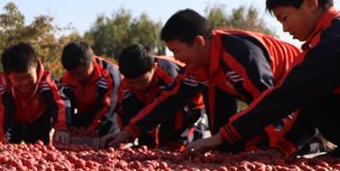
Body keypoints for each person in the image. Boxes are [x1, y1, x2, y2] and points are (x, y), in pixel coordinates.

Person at [189, 0, 340, 159]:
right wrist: (280, 150)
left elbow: (285, 94)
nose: (285, 29)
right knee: (310, 86)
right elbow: (306, 96)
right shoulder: (318, 45)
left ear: (310, 3)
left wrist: (224, 135)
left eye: (284, 18)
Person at [110, 9, 306, 152]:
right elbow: (171, 98)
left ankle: (308, 144)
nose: (176, 59)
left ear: (198, 42)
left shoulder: (240, 55)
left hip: (295, 87)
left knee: (268, 143)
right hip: (265, 97)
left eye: (178, 51)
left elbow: (268, 103)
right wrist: (130, 131)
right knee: (228, 144)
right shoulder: (198, 66)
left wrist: (275, 149)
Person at [101, 44, 203, 149]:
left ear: (154, 67)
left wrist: (175, 143)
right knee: (147, 143)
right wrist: (125, 133)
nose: (138, 87)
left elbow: (171, 106)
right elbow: (125, 112)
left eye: (142, 81)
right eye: (132, 83)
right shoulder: (125, 86)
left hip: (188, 105)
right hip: (154, 105)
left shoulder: (169, 76)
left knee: (175, 143)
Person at [0, 42, 69, 144]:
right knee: (8, 145)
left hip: (38, 119)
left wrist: (61, 128)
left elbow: (59, 104)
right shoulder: (3, 88)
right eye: (18, 79)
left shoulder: (46, 84)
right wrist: (2, 139)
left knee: (39, 147)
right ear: (8, 75)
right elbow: (3, 115)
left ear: (36, 67)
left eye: (28, 76)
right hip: (13, 121)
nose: (24, 82)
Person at [59, 42, 120, 136]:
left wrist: (92, 130)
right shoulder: (67, 78)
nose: (76, 78)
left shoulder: (109, 75)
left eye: (80, 74)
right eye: (72, 74)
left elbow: (107, 107)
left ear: (92, 63)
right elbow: (64, 104)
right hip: (83, 113)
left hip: (110, 115)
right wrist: (63, 127)